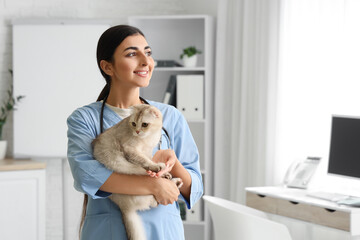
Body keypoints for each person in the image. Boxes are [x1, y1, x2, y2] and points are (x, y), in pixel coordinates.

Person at [66, 25, 203, 240]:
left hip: (164, 231)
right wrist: (154, 185)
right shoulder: (85, 119)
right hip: (108, 232)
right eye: (132, 54)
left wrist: (172, 163)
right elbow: (86, 175)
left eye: (148, 53)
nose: (145, 61)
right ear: (108, 67)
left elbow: (193, 186)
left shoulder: (169, 116)